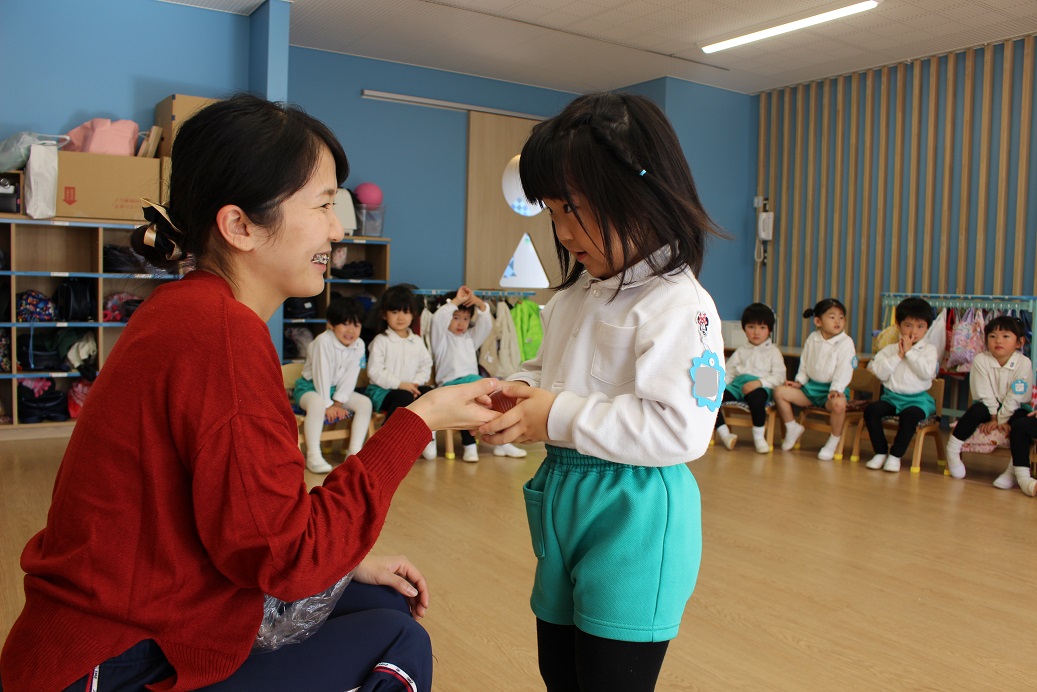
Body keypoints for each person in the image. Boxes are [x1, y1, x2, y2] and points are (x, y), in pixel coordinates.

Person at [0, 93, 503, 692]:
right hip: (113, 662)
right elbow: (289, 556)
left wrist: (347, 567)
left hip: (120, 626)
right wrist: (418, 420)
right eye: (323, 204)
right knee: (400, 643)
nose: (338, 227)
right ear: (239, 225)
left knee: (384, 603)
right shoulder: (222, 334)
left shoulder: (189, 309)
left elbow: (248, 524)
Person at [477, 92, 725, 692]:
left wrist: (555, 414)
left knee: (610, 680)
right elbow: (549, 369)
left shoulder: (682, 307)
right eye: (552, 211)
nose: (562, 232)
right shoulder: (577, 293)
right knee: (559, 670)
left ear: (640, 194)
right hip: (567, 496)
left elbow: (683, 429)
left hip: (634, 514)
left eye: (574, 209)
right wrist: (517, 392)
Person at [430, 285, 527, 462]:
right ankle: (470, 446)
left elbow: (486, 324)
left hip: (473, 383)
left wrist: (479, 303)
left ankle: (502, 442)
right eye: (456, 318)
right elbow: (438, 320)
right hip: (450, 384)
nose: (461, 323)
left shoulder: (469, 338)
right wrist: (456, 301)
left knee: (497, 398)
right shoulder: (441, 339)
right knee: (471, 402)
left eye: (466, 318)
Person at [945, 315, 1035, 494]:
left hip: (1015, 406)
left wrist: (1002, 420)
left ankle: (1012, 472)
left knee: (1021, 421)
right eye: (993, 336)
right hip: (988, 404)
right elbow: (984, 392)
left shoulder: (1024, 363)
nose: (998, 341)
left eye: (1005, 336)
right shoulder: (981, 360)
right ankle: (952, 450)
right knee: (976, 411)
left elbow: (1015, 396)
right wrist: (993, 417)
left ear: (1019, 342)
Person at [292, 296, 373, 473]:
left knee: (365, 403)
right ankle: (313, 455)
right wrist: (328, 404)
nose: (351, 330)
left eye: (356, 325)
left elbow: (350, 376)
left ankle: (354, 454)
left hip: (336, 390)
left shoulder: (359, 344)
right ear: (331, 324)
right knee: (317, 404)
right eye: (345, 324)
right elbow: (321, 374)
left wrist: (337, 402)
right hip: (310, 388)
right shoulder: (323, 341)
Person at [862, 298, 939, 473]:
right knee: (872, 410)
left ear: (927, 327)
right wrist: (898, 356)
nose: (914, 331)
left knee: (909, 416)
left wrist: (909, 352)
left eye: (920, 326)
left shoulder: (929, 350)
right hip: (891, 398)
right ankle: (880, 452)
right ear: (898, 325)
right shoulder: (889, 350)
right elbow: (879, 373)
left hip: (918, 401)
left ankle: (895, 456)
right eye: (908, 325)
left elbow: (927, 373)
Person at [774, 298, 857, 460]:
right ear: (818, 321)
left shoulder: (846, 342)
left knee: (839, 405)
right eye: (832, 317)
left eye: (841, 317)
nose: (837, 321)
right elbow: (805, 363)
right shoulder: (813, 338)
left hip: (832, 390)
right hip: (811, 389)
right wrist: (800, 381)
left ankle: (833, 442)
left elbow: (845, 369)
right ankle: (792, 427)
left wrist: (836, 389)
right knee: (779, 392)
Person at [365, 284, 438, 460]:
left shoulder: (416, 341)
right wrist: (400, 384)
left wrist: (416, 383)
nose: (400, 317)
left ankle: (427, 438)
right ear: (384, 314)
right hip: (383, 391)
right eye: (395, 312)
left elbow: (426, 364)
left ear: (413, 315)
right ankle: (388, 443)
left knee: (430, 394)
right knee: (403, 397)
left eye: (405, 312)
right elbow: (375, 371)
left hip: (411, 388)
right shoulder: (380, 341)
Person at [714, 303, 786, 454]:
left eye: (762, 327)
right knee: (713, 397)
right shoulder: (741, 351)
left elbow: (779, 377)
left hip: (761, 387)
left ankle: (759, 438)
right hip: (737, 386)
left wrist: (759, 383)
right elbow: (729, 372)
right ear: (744, 328)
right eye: (751, 327)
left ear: (769, 330)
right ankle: (725, 435)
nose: (756, 332)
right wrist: (721, 387)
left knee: (756, 398)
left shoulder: (774, 352)